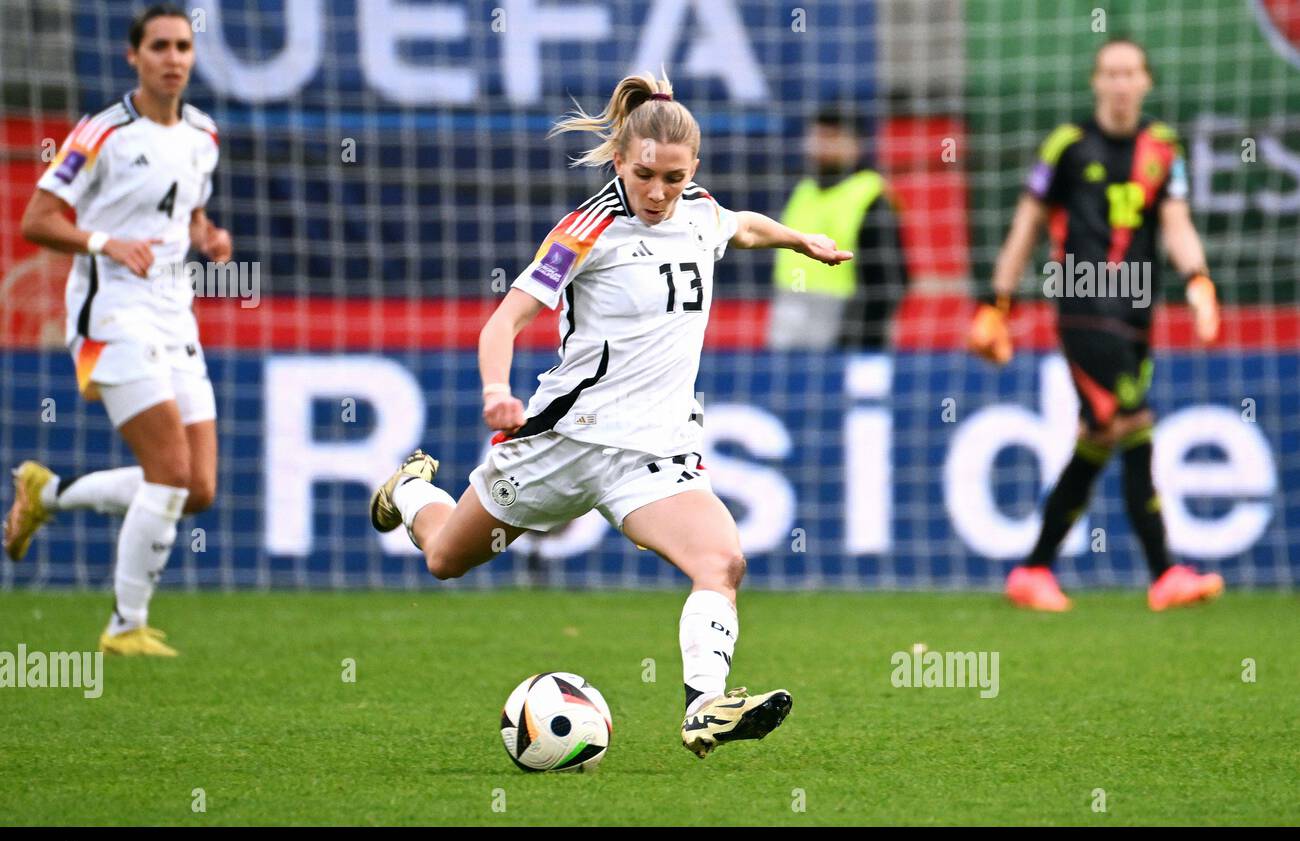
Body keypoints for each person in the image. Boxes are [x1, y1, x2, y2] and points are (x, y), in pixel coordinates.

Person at [369, 72, 852, 758]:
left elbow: (741, 227)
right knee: (445, 557)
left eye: (674, 179)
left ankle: (704, 704)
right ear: (621, 161)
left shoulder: (701, 211)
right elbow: (503, 323)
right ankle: (411, 488)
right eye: (646, 175)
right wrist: (493, 391)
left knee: (722, 560)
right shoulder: (584, 231)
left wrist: (799, 239)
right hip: (564, 442)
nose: (658, 193)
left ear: (694, 171)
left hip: (653, 452)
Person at [5, 4, 231, 655]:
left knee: (199, 488)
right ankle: (124, 625)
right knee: (166, 470)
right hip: (112, 314)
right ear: (134, 56)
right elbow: (36, 219)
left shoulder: (203, 135)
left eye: (183, 46)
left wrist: (208, 237)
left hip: (173, 311)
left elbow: (186, 211)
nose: (173, 58)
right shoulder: (100, 133)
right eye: (158, 46)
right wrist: (106, 241)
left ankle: (47, 494)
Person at [969, 37, 1224, 613]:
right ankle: (1165, 574)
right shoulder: (1067, 145)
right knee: (1135, 420)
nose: (1119, 83)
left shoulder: (1162, 148)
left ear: (1146, 82)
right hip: (1082, 304)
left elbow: (1176, 222)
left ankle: (1033, 571)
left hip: (1137, 313)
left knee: (1099, 437)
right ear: (1095, 82)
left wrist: (1199, 280)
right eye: (1109, 73)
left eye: (1130, 72)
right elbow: (1027, 224)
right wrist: (997, 301)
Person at [769, 107, 908, 350]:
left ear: (854, 145)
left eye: (830, 138)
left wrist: (860, 339)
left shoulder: (872, 196)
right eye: (816, 136)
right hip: (789, 317)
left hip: (842, 324)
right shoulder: (803, 191)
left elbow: (889, 280)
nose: (819, 145)